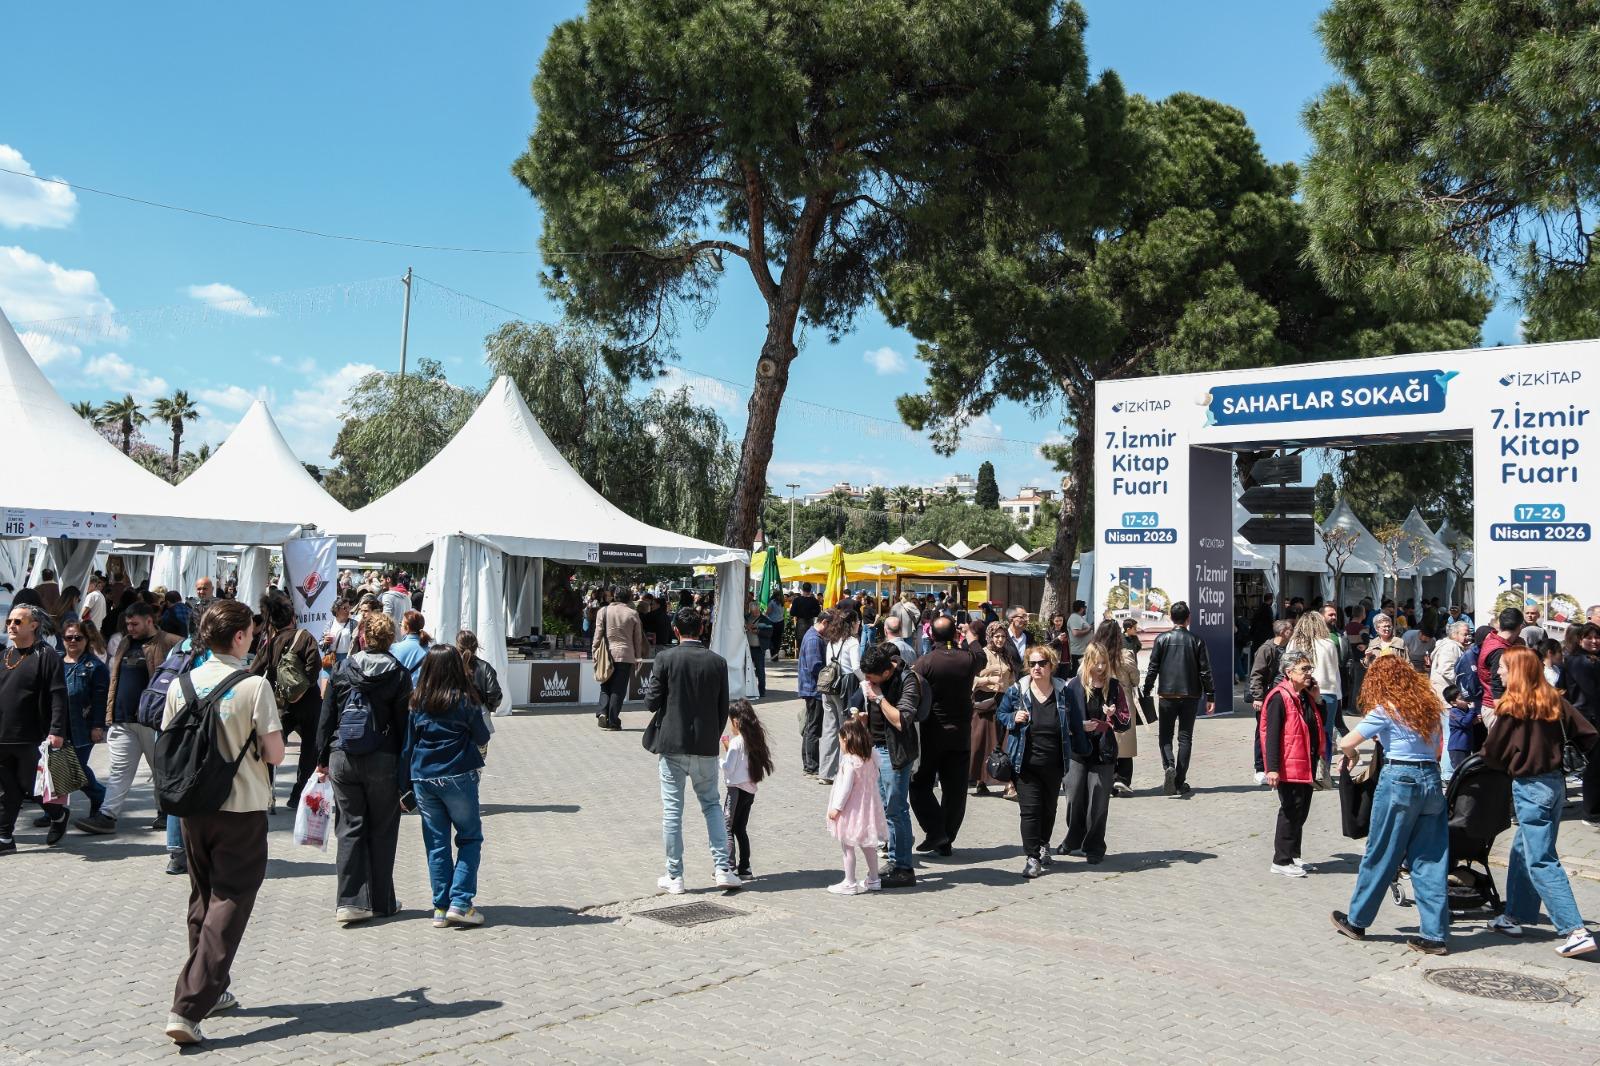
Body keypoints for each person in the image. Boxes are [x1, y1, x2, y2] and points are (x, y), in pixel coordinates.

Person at [160, 600, 285, 1046]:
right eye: (250, 632)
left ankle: (214, 989)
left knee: (204, 898)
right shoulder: (255, 686)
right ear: (237, 637)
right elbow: (275, 754)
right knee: (230, 900)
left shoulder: (183, 682)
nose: (253, 638)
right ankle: (189, 1005)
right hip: (241, 806)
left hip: (194, 806)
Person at [1481, 646, 1598, 957]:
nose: (1499, 673)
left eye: (1504, 668)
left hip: (1531, 788)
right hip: (1555, 785)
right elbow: (1590, 736)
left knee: (1541, 859)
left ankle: (1575, 930)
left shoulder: (1512, 708)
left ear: (1517, 671)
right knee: (1523, 848)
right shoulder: (1554, 701)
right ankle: (1515, 916)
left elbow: (1491, 753)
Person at [1329, 656, 1451, 953]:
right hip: (1431, 780)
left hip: (1399, 778)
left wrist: (1354, 757)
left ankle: (1357, 920)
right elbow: (1437, 750)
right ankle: (1435, 934)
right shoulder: (1428, 708)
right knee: (1431, 858)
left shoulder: (1386, 709)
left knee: (1382, 850)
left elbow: (1347, 743)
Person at [315, 612, 412, 925]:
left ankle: (350, 901)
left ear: (362, 637)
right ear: (390, 639)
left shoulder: (344, 668)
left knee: (350, 826)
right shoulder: (399, 673)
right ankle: (382, 901)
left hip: (343, 756)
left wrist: (321, 757)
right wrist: (405, 771)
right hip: (383, 757)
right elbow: (404, 726)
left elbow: (327, 714)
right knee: (383, 829)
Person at [645, 607, 740, 893]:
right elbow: (724, 707)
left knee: (673, 811)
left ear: (675, 630)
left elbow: (651, 701)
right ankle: (723, 868)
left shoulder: (665, 658)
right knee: (711, 805)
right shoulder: (718, 662)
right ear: (702, 629)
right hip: (705, 746)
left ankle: (674, 876)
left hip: (672, 744)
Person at [400, 644, 492, 929]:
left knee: (436, 844)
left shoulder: (417, 701)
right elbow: (481, 735)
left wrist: (403, 787)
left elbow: (407, 746)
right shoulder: (465, 701)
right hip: (458, 775)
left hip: (423, 778)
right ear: (456, 668)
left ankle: (441, 906)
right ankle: (460, 903)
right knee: (469, 837)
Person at [75, 601, 181, 835]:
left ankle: (166, 812)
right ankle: (107, 815)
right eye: (128, 624)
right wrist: (108, 715)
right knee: (119, 771)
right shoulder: (124, 642)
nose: (130, 628)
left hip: (155, 720)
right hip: (123, 720)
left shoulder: (171, 643)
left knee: (161, 769)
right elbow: (115, 680)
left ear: (149, 620)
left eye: (135, 624)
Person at [996, 643, 1088, 877]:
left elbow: (1076, 722)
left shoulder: (1063, 692)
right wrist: (1012, 717)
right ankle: (1032, 857)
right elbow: (1001, 714)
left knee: (1048, 809)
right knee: (1030, 811)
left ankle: (1044, 843)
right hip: (1024, 763)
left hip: (1055, 762)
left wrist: (1083, 748)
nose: (1037, 668)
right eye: (1033, 664)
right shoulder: (1018, 691)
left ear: (1051, 666)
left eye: (1042, 663)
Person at [910, 616, 986, 855]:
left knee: (919, 785)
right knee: (955, 790)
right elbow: (981, 658)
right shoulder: (968, 659)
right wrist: (971, 638)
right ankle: (946, 837)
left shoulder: (925, 662)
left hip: (932, 733)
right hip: (961, 732)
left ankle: (936, 831)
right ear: (956, 634)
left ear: (931, 635)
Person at [849, 643, 922, 888]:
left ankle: (904, 868)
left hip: (896, 753)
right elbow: (857, 702)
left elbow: (902, 721)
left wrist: (879, 698)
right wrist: (860, 713)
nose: (867, 682)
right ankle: (894, 860)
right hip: (875, 749)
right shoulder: (875, 676)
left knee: (896, 809)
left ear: (887, 673)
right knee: (886, 809)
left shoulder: (908, 680)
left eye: (871, 678)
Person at [0, 605, 70, 853]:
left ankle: (59, 814)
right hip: (3, 736)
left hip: (32, 735)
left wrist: (57, 730)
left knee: (32, 787)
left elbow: (58, 694)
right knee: (10, 789)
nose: (11, 625)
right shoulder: (4, 655)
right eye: (9, 621)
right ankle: (5, 838)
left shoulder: (46, 655)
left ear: (34, 625)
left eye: (18, 621)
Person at [1057, 644, 1131, 862]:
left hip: (1104, 751)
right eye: (1096, 662)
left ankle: (1095, 845)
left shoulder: (1114, 687)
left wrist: (1113, 715)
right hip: (1078, 749)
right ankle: (1074, 838)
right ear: (1087, 661)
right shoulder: (1073, 686)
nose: (1100, 667)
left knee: (1098, 799)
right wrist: (1079, 725)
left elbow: (1125, 722)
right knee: (1073, 796)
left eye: (1104, 663)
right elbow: (1063, 719)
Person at [250, 590, 323, 810]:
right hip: (309, 702)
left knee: (272, 748)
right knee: (310, 750)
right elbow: (315, 666)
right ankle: (297, 795)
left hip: (280, 704)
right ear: (292, 618)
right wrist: (303, 687)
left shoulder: (270, 643)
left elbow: (255, 671)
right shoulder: (305, 637)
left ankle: (266, 793)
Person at [1142, 601, 1215, 798]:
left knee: (1165, 736)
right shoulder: (1196, 640)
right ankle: (1179, 780)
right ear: (1188, 618)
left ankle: (1169, 766)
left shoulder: (1162, 639)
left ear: (1170, 617)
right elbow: (1205, 671)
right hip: (1190, 695)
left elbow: (1153, 667)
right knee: (1185, 738)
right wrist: (1211, 695)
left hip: (1167, 694)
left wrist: (1147, 689)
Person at [1261, 650, 1323, 878]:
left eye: (1310, 669)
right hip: (1289, 763)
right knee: (1290, 810)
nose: (1309, 674)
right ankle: (1281, 859)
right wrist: (1272, 768)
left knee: (1302, 810)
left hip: (1306, 760)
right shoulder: (1279, 697)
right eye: (1304, 669)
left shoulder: (1304, 695)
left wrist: (1317, 698)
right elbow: (1271, 735)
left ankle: (1294, 855)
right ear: (1289, 672)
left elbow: (1319, 722)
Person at [825, 716, 888, 894]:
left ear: (846, 739)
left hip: (851, 809)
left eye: (840, 740)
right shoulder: (870, 757)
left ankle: (850, 882)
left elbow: (845, 788)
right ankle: (874, 879)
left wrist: (836, 808)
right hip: (868, 808)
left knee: (847, 845)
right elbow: (875, 776)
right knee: (868, 845)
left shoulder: (850, 761)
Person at [55, 620, 108, 823]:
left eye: (78, 637)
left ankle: (99, 795)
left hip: (82, 727)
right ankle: (53, 811)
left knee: (75, 767)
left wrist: (98, 726)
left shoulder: (95, 666)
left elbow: (100, 699)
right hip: (58, 726)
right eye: (69, 637)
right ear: (63, 640)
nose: (73, 641)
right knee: (57, 768)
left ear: (87, 640)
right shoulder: (56, 663)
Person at [720, 698, 772, 880]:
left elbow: (729, 768)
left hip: (735, 790)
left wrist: (718, 761)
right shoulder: (753, 739)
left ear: (735, 721)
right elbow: (741, 762)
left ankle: (728, 866)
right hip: (749, 790)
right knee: (740, 828)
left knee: (726, 826)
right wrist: (728, 749)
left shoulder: (736, 742)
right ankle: (745, 867)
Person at [1089, 619, 1141, 797]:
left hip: (1100, 700)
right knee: (1124, 741)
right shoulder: (1124, 655)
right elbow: (1135, 679)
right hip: (1122, 700)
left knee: (1105, 740)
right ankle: (1123, 779)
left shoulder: (1093, 655)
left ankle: (1109, 780)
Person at [969, 621, 1016, 796]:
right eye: (996, 636)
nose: (1000, 639)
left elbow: (1011, 679)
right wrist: (988, 680)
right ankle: (981, 780)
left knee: (1003, 741)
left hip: (1003, 703)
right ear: (989, 636)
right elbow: (971, 679)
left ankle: (1008, 783)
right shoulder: (981, 655)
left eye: (1003, 636)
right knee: (983, 742)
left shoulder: (1006, 655)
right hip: (984, 702)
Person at [593, 586, 648, 731]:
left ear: (614, 596)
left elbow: (597, 635)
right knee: (619, 689)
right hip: (626, 655)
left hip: (606, 653)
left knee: (605, 686)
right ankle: (613, 720)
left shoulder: (603, 611)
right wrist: (638, 657)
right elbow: (637, 639)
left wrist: (594, 651)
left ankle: (602, 712)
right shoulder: (633, 613)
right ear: (629, 598)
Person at [817, 611, 861, 785]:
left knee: (828, 728)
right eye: (858, 621)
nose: (859, 624)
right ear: (852, 624)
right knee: (846, 728)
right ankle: (845, 771)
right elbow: (856, 668)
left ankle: (825, 772)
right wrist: (866, 681)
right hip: (845, 685)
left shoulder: (832, 640)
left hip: (828, 685)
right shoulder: (852, 642)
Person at [1250, 621, 1292, 785]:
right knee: (1262, 732)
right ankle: (1259, 768)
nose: (1292, 632)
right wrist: (1258, 697)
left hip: (1283, 696)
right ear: (1282, 632)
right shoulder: (1266, 649)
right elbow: (1257, 674)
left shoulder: (1289, 648)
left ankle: (1275, 766)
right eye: (1290, 629)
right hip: (1268, 697)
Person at [1430, 620, 1471, 779]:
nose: (1468, 637)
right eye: (1465, 634)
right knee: (1448, 736)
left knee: (1439, 735)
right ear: (1454, 634)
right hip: (1446, 698)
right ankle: (1447, 773)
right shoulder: (1451, 647)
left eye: (1468, 633)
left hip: (1440, 696)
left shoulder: (1449, 646)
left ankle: (1439, 769)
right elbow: (1446, 669)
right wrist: (1464, 684)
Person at [796, 613, 827, 776]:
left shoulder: (812, 635)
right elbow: (815, 666)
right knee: (813, 728)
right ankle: (811, 765)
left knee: (810, 727)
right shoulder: (814, 639)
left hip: (810, 688)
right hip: (813, 689)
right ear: (824, 622)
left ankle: (809, 764)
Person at [456, 630, 503, 720]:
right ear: (476, 646)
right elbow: (494, 692)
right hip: (480, 710)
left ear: (457, 646)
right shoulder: (485, 666)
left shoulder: (451, 665)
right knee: (481, 733)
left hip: (455, 710)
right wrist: (489, 707)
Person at [321, 599, 359, 672]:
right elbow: (321, 643)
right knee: (326, 682)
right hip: (331, 658)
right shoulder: (330, 624)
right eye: (345, 608)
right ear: (336, 610)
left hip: (347, 659)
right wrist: (325, 642)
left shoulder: (354, 624)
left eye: (349, 607)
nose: (348, 610)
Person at [392, 610, 429, 683]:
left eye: (401, 624)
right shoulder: (431, 648)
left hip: (403, 692)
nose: (400, 627)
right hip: (422, 692)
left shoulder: (394, 648)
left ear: (407, 628)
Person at [743, 592, 767, 698]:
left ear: (758, 610)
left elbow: (769, 633)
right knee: (745, 669)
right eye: (752, 612)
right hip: (748, 648)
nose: (754, 614)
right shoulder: (746, 617)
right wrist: (746, 626)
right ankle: (747, 689)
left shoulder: (765, 619)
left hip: (758, 649)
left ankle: (762, 691)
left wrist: (756, 631)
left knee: (760, 670)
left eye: (756, 612)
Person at [1064, 601, 1093, 675]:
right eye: (1085, 608)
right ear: (1081, 608)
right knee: (1078, 674)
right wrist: (1089, 629)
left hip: (1082, 651)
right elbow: (1075, 633)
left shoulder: (1079, 618)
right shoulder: (1074, 617)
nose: (1086, 610)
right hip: (1078, 652)